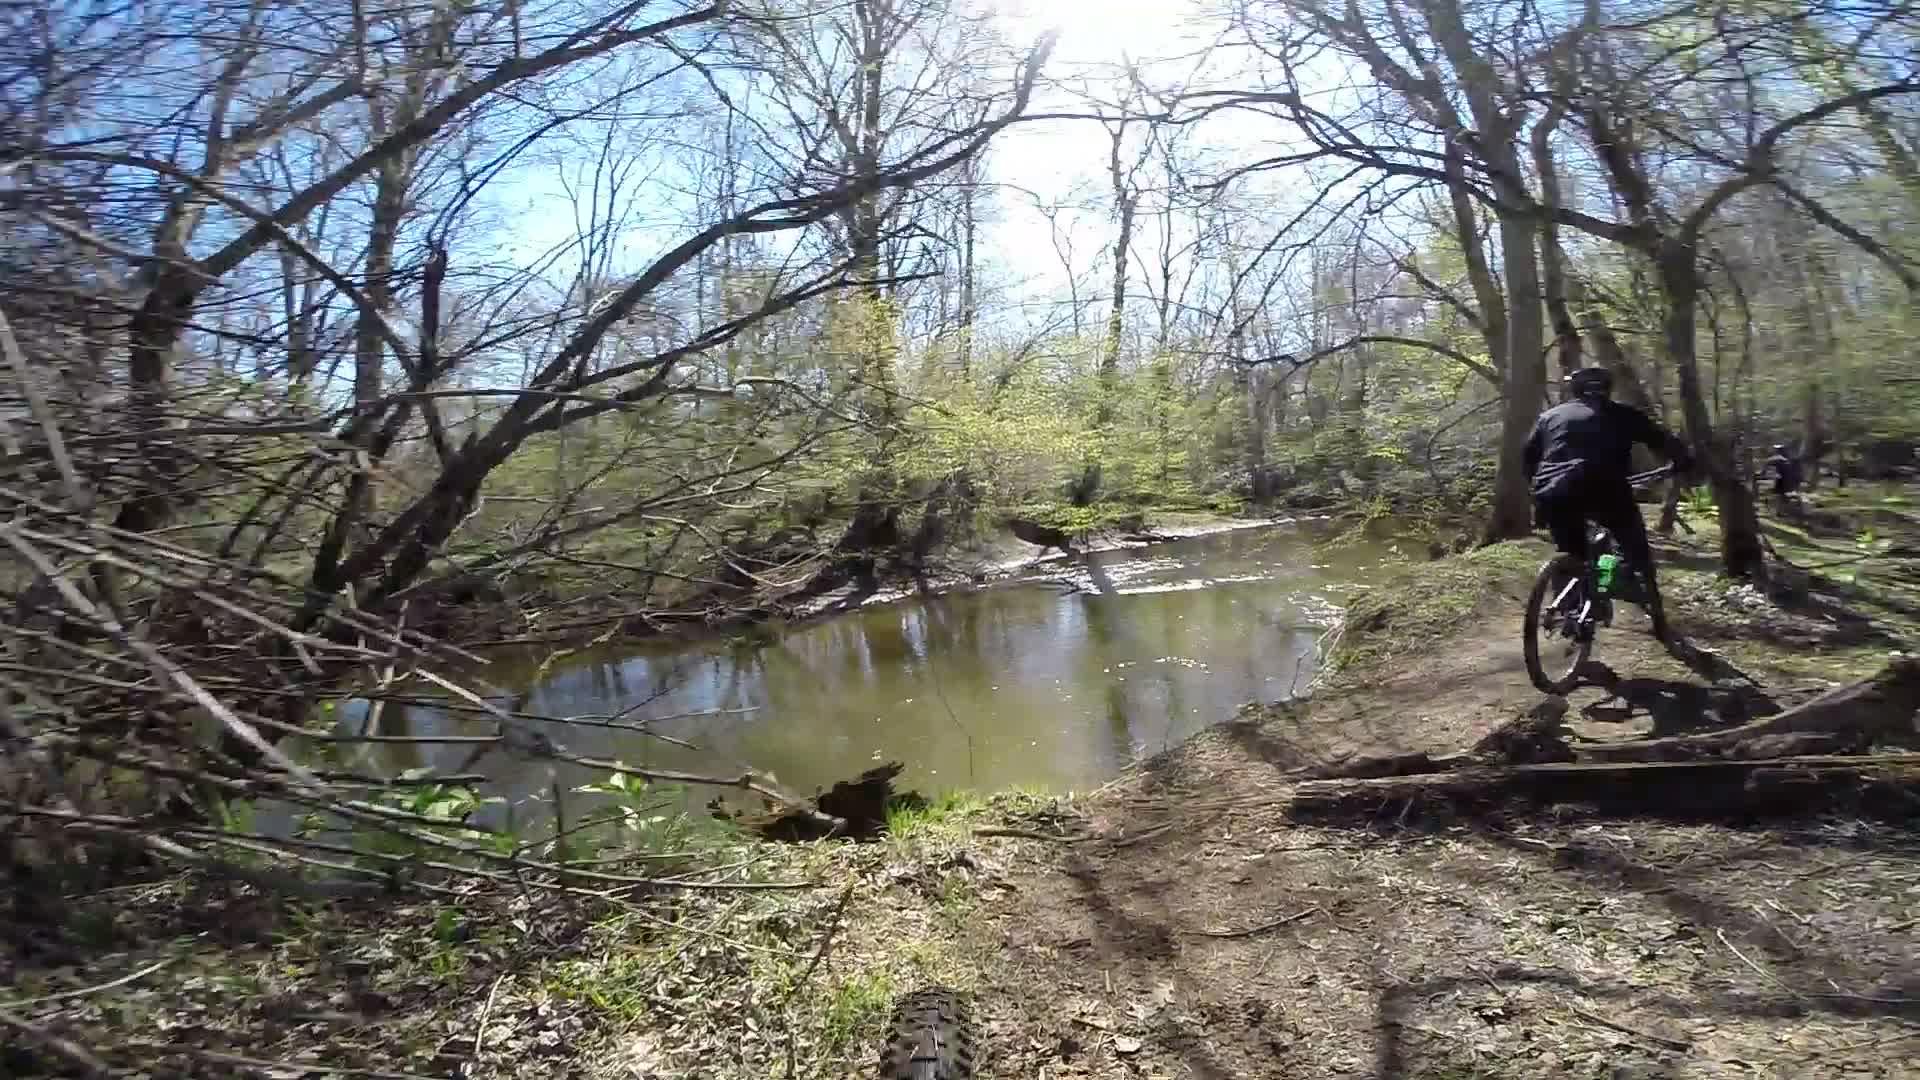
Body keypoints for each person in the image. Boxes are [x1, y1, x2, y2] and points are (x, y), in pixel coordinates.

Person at [1523, 366, 1693, 641]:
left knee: (1570, 550)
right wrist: (1683, 461)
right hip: (1606, 489)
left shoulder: (1550, 416)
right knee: (1634, 547)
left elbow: (1528, 457)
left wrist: (1536, 486)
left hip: (1553, 492)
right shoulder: (1623, 414)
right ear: (1608, 388)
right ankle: (1628, 587)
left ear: (1574, 390)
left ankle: (1569, 608)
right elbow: (1662, 440)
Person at [1764, 443, 1803, 512]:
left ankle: (1778, 510)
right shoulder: (1789, 460)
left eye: (1775, 450)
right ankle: (1784, 508)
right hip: (1789, 484)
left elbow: (1768, 471)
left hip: (1781, 484)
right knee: (1783, 493)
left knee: (1776, 492)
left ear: (1776, 450)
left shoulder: (1773, 459)